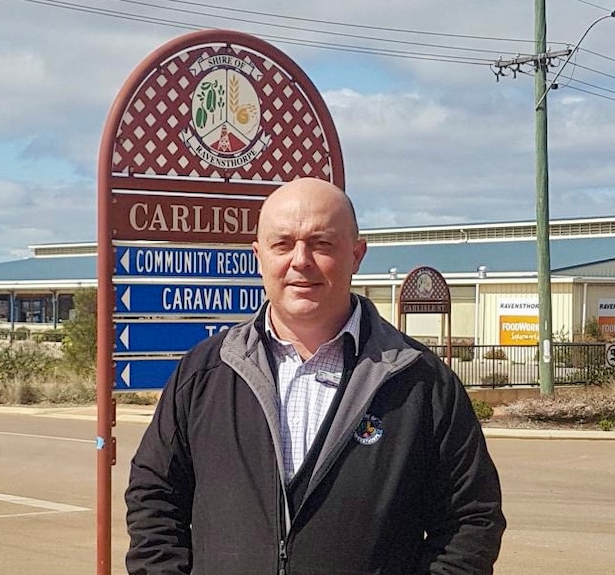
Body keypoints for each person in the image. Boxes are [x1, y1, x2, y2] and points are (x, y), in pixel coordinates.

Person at [125, 177, 506, 575]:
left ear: (357, 256)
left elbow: (471, 521)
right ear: (258, 256)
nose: (300, 261)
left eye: (322, 244)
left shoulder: (420, 382)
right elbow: (154, 500)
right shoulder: (205, 373)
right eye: (282, 243)